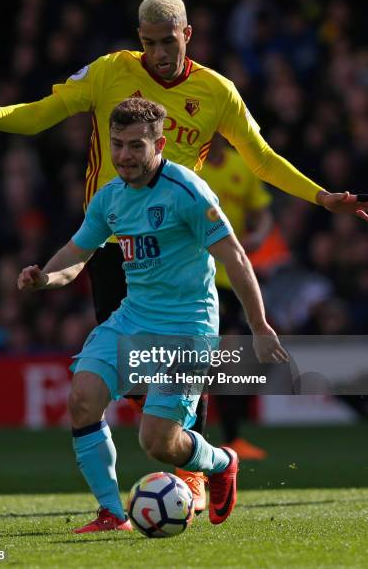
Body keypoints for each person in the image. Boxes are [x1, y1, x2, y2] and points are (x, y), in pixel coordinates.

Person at [0, 0, 368, 511]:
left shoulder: (217, 91)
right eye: (147, 43)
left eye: (167, 42)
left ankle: (191, 472)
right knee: (122, 380)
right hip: (112, 239)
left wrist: (321, 195)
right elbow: (40, 115)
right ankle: (160, 477)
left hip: (180, 245)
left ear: (187, 34)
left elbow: (261, 158)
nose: (157, 53)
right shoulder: (109, 72)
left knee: (177, 363)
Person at [17, 98, 288, 533]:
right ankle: (111, 513)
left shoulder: (188, 192)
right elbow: (76, 253)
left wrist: (259, 327)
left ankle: (221, 463)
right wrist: (45, 279)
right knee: (82, 398)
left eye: (135, 146)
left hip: (187, 329)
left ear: (159, 144)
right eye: (117, 145)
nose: (124, 156)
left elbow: (235, 257)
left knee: (159, 444)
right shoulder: (110, 198)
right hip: (133, 319)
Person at [199, 135, 273, 460]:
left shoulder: (241, 166)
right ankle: (191, 440)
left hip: (231, 277)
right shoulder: (190, 168)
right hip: (196, 276)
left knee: (230, 356)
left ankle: (229, 438)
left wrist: (258, 234)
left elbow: (262, 211)